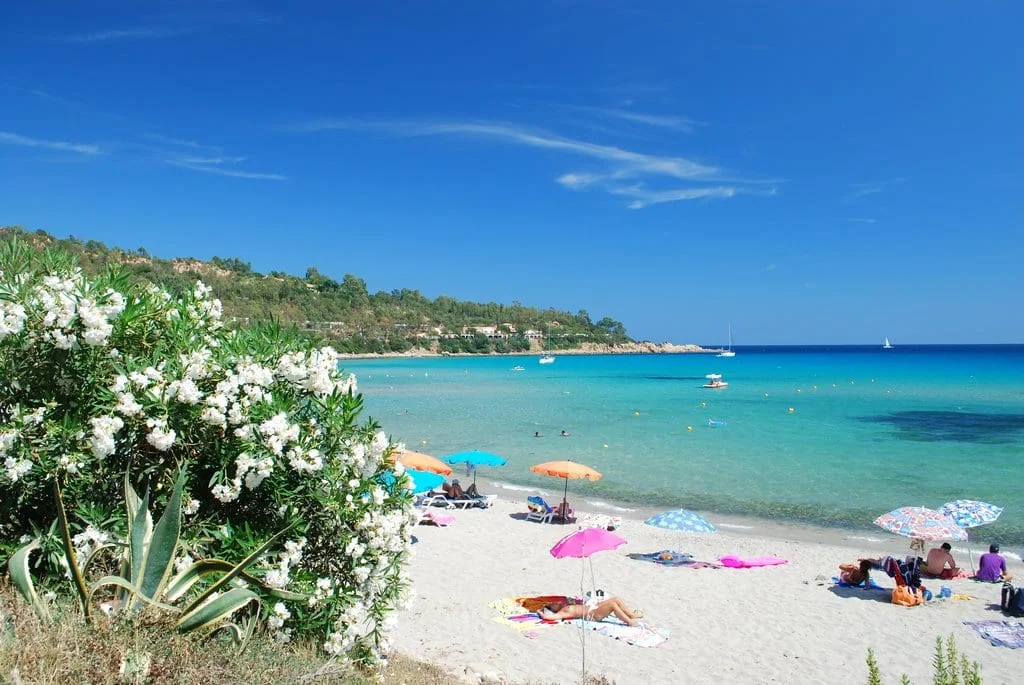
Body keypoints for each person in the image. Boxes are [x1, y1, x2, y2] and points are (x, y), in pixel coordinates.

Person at [539, 597, 642, 627]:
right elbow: (547, 617)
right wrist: (540, 612)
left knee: (616, 599)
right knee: (613, 605)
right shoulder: (562, 612)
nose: (556, 602)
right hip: (592, 615)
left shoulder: (565, 605)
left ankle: (631, 615)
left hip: (593, 607)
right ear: (553, 610)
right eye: (553, 604)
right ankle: (629, 622)